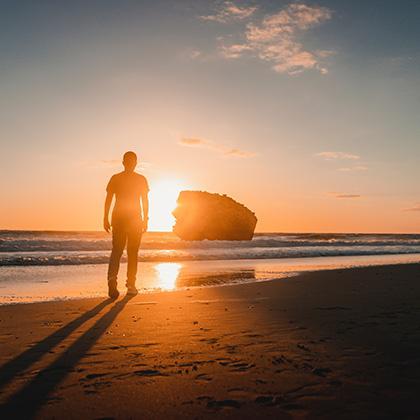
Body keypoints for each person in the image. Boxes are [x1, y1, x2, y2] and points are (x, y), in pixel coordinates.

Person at [103, 151, 149, 298]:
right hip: (135, 218)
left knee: (117, 250)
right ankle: (131, 285)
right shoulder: (141, 179)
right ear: (135, 163)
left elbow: (108, 199)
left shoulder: (116, 178)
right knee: (132, 252)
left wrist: (105, 217)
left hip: (119, 217)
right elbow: (145, 201)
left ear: (123, 162)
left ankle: (112, 280)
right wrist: (145, 219)